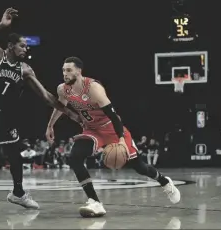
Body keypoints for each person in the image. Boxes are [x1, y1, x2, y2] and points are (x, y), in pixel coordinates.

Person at [0, 8, 80, 219]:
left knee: (15, 156)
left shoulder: (25, 70)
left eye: (26, 46)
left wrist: (70, 113)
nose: (25, 48)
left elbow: (46, 97)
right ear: (10, 46)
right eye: (22, 45)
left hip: (5, 118)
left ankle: (18, 193)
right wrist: (1, 26)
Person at [46, 57, 181, 217]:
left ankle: (164, 182)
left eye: (69, 70)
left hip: (111, 129)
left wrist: (122, 140)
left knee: (139, 167)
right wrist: (50, 125)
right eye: (63, 70)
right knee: (75, 157)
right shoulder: (63, 89)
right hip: (91, 130)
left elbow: (114, 117)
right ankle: (95, 202)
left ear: (79, 71)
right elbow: (60, 107)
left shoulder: (93, 88)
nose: (65, 74)